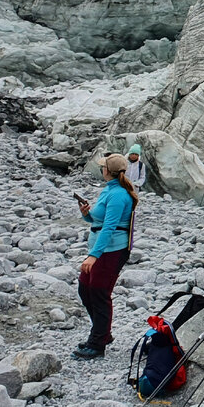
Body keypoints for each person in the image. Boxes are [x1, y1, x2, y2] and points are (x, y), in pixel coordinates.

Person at [74, 153, 137, 360]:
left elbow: (110, 227)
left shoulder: (119, 195)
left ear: (107, 171)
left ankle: (98, 343)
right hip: (102, 249)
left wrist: (93, 256)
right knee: (85, 289)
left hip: (112, 250)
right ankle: (102, 333)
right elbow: (98, 219)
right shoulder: (109, 190)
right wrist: (86, 214)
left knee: (99, 293)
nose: (101, 169)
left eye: (103, 167)